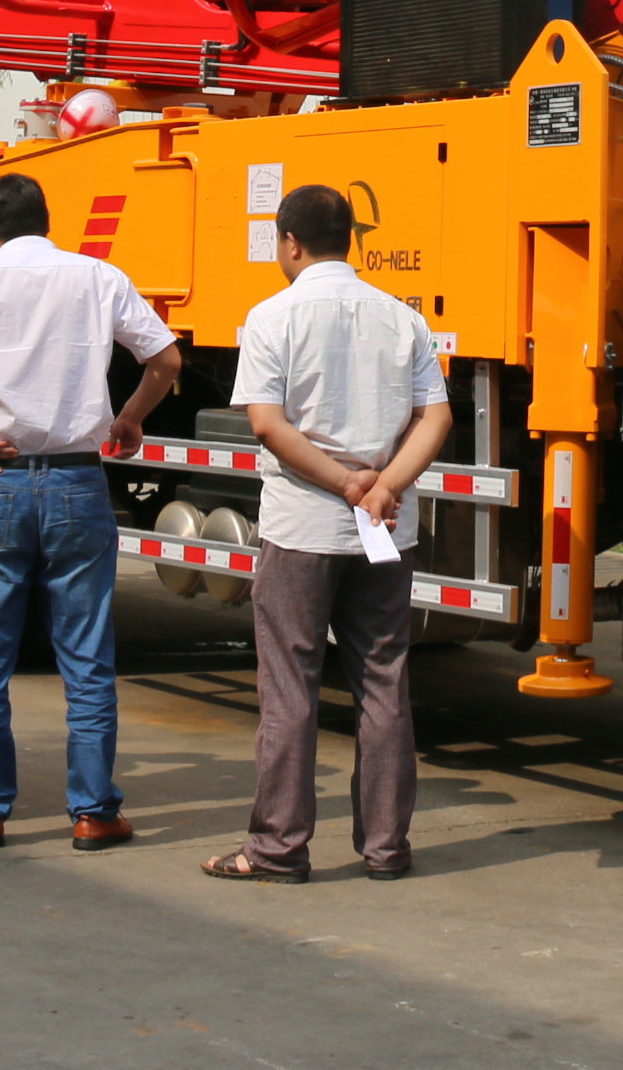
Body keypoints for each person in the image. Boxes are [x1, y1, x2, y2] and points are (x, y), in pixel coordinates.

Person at [0, 172, 182, 852]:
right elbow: (166, 358)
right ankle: (92, 810)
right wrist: (130, 417)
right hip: (79, 481)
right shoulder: (97, 277)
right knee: (85, 653)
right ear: (47, 220)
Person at [206, 182, 452, 884]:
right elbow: (435, 418)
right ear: (352, 240)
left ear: (288, 243)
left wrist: (346, 485)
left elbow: (267, 424)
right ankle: (386, 848)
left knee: (290, 687)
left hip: (302, 528)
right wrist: (384, 486)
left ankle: (279, 849)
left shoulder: (271, 316)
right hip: (383, 535)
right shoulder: (399, 318)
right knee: (384, 682)